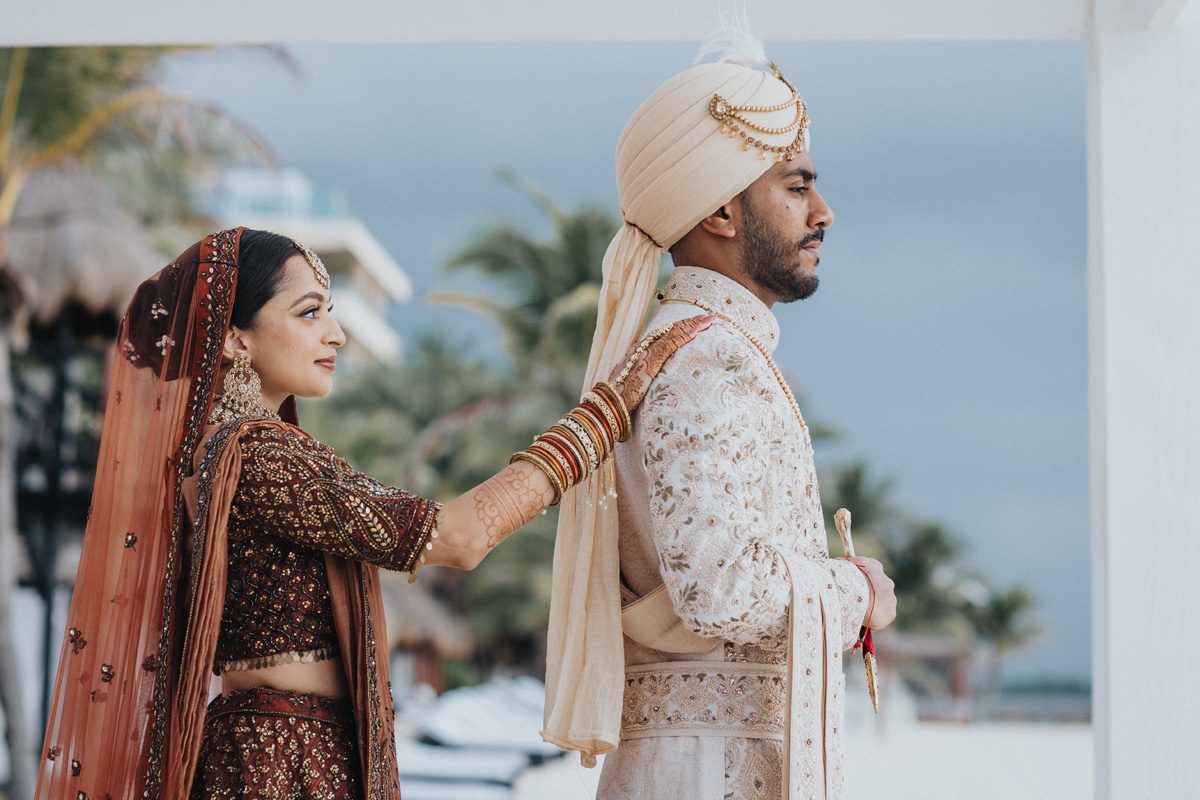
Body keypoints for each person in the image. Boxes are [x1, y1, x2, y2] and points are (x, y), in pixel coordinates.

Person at [35, 227, 710, 799]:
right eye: (308, 314)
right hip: (279, 764)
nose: (336, 334)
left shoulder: (241, 451)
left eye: (329, 311)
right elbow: (458, 535)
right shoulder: (259, 457)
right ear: (235, 338)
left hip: (289, 750)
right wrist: (601, 417)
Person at [541, 34, 899, 800]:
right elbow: (720, 590)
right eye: (797, 186)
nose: (825, 212)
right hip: (704, 772)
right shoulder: (707, 361)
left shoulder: (708, 350)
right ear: (723, 212)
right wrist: (856, 590)